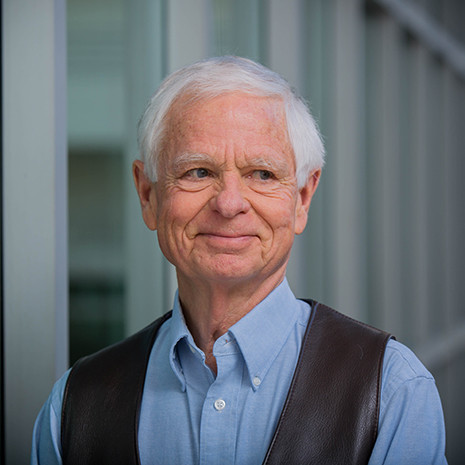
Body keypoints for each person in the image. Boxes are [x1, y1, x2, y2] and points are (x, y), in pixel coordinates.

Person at [31, 56, 447, 464]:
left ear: (302, 198)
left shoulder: (392, 392)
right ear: (148, 195)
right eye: (198, 172)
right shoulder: (71, 409)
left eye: (262, 174)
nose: (229, 204)